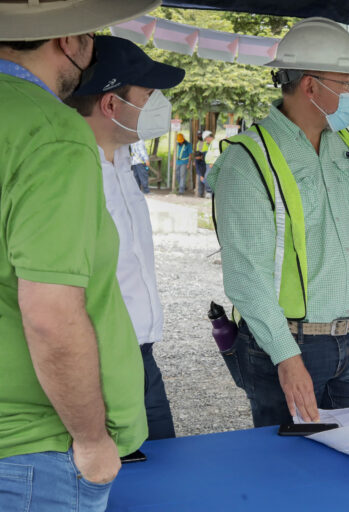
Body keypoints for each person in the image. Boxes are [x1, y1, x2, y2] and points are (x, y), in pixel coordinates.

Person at [0, 1, 157, 510]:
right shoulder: (50, 132)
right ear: (70, 40)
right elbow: (51, 314)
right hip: (32, 448)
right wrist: (92, 443)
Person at [207, 17, 349, 427]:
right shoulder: (248, 159)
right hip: (291, 346)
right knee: (290, 476)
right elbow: (245, 273)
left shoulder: (343, 144)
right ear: (310, 86)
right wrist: (286, 356)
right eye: (347, 83)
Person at [65, 35, 185, 441]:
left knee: (163, 483)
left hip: (142, 358)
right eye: (148, 94)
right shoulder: (69, 171)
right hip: (97, 365)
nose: (158, 106)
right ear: (110, 104)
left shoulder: (121, 164)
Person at [195, 129, 211, 197]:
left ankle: (207, 192)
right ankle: (200, 193)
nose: (199, 136)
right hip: (200, 159)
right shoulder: (198, 143)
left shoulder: (207, 142)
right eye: (198, 135)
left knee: (206, 177)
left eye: (200, 135)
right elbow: (197, 154)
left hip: (206, 159)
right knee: (200, 178)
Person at [203, 130, 218, 197]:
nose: (206, 141)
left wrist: (214, 163)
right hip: (209, 164)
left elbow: (217, 154)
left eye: (206, 139)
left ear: (208, 137)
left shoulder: (214, 143)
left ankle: (210, 192)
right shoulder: (211, 143)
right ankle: (211, 192)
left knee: (208, 177)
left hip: (211, 164)